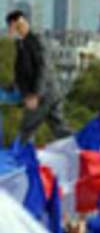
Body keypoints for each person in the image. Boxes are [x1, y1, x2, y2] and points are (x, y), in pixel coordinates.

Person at [5, 10, 70, 142]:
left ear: (15, 23)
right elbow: (24, 71)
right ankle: (88, 153)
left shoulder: (35, 39)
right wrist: (14, 86)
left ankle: (20, 160)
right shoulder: (22, 43)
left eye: (10, 26)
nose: (10, 30)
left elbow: (43, 68)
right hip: (48, 93)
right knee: (60, 130)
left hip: (43, 94)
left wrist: (35, 94)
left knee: (26, 130)